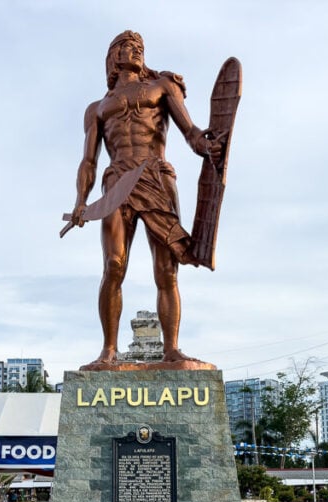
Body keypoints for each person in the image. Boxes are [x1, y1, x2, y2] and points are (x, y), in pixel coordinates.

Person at [69, 31, 224, 369]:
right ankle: (109, 351)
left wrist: (206, 144)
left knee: (166, 270)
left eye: (139, 47)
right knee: (114, 264)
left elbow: (190, 133)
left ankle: (172, 350)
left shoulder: (161, 88)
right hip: (116, 184)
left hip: (155, 176)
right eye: (127, 46)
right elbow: (89, 160)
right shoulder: (97, 109)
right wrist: (81, 200)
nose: (135, 50)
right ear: (113, 57)